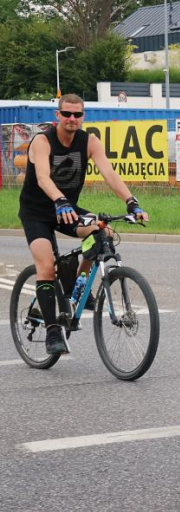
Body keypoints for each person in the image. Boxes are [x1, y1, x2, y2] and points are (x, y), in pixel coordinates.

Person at [18, 94, 149, 355]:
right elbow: (43, 177)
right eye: (66, 114)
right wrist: (59, 200)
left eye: (77, 114)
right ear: (57, 115)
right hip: (37, 212)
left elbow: (109, 173)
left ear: (83, 116)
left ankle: (77, 285)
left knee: (102, 231)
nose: (72, 118)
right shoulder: (43, 141)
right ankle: (53, 331)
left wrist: (131, 202)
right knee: (46, 266)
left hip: (67, 209)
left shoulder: (89, 142)